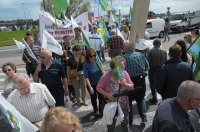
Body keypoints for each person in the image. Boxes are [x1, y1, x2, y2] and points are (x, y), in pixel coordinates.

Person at [97, 56, 133, 132]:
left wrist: (125, 84)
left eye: (123, 66)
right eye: (120, 67)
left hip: (123, 104)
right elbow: (98, 88)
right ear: (113, 68)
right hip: (111, 105)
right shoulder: (106, 76)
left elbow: (131, 87)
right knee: (110, 125)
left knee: (125, 123)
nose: (123, 68)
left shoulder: (125, 73)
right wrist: (107, 94)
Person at [122, 40, 149, 124]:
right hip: (140, 80)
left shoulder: (122, 58)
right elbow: (148, 67)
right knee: (141, 99)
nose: (122, 47)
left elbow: (120, 72)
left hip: (128, 82)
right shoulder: (141, 55)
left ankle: (130, 120)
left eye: (123, 46)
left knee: (128, 100)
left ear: (126, 47)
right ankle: (144, 118)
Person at [83, 48, 103, 116]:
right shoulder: (86, 65)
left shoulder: (97, 62)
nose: (93, 57)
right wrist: (90, 87)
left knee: (101, 97)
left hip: (99, 84)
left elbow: (101, 72)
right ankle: (95, 110)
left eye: (94, 56)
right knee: (93, 98)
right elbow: (86, 77)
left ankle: (101, 110)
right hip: (92, 84)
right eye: (91, 56)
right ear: (88, 56)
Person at [147, 39, 167, 103]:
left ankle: (154, 97)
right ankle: (163, 96)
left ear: (153, 44)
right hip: (161, 68)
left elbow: (148, 61)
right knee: (161, 83)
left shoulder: (150, 51)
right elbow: (166, 61)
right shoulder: (164, 51)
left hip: (153, 68)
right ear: (160, 44)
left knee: (153, 83)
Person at [62, 35, 76, 102]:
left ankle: (74, 94)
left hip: (72, 68)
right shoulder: (61, 48)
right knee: (67, 81)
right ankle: (70, 94)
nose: (66, 41)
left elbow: (76, 56)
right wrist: (62, 53)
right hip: (64, 67)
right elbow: (57, 57)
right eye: (65, 40)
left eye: (68, 40)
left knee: (73, 80)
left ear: (70, 40)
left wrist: (69, 58)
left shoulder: (73, 48)